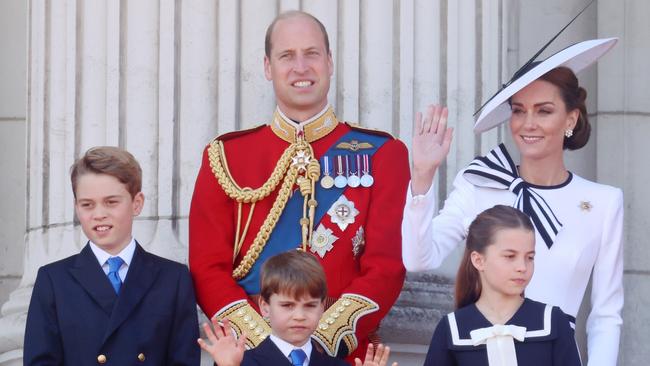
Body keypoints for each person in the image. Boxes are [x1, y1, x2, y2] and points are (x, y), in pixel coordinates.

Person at [189, 10, 409, 362]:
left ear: (330, 62)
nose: (301, 67)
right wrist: (267, 346)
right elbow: (207, 267)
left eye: (312, 54)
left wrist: (316, 343)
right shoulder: (226, 156)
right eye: (287, 56)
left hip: (341, 356)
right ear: (267, 67)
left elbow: (386, 267)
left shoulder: (384, 154)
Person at [402, 38, 623, 365]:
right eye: (519, 111)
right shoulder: (479, 184)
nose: (528, 124)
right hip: (478, 351)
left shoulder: (603, 203)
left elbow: (606, 315)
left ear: (571, 119)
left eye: (544, 111)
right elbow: (418, 259)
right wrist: (422, 175)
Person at [24, 146, 200, 365]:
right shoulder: (53, 280)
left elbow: (184, 361)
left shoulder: (173, 279)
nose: (99, 214)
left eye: (111, 202)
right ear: (77, 207)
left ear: (137, 203)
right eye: (87, 204)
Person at [424, 205, 581, 366]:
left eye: (530, 257)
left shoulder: (553, 321)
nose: (522, 267)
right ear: (478, 260)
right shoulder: (452, 328)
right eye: (510, 256)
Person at [197, 250, 398, 366]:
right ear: (265, 307)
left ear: (322, 308)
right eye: (287, 306)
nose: (299, 316)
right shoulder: (240, 361)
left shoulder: (337, 365)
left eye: (310, 306)